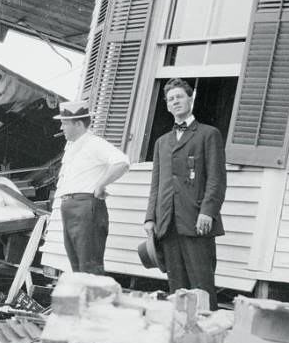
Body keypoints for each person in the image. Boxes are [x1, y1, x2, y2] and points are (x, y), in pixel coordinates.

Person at [144, 78, 226, 310]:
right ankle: (181, 335)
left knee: (202, 286)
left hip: (196, 221)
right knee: (177, 288)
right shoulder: (162, 142)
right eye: (170, 99)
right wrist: (150, 217)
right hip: (167, 223)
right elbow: (156, 184)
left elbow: (217, 179)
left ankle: (208, 334)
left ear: (191, 98)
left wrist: (208, 212)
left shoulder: (208, 134)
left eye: (179, 96)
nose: (175, 102)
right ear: (167, 106)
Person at [54, 100, 130, 275]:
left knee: (90, 267)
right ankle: (84, 302)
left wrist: (100, 185)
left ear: (79, 124)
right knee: (77, 267)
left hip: (86, 208)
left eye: (65, 123)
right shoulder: (73, 147)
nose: (61, 128)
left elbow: (122, 162)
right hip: (71, 207)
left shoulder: (94, 143)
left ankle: (95, 302)